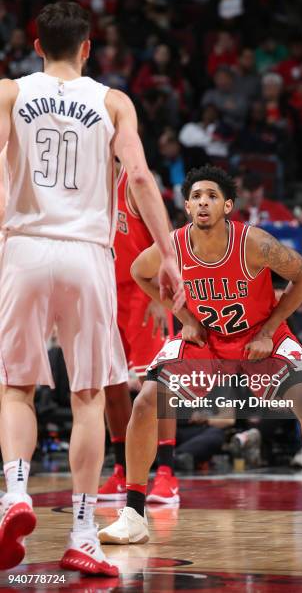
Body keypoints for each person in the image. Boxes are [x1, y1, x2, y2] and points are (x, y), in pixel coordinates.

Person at [98, 164, 302, 551]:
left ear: (227, 205)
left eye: (211, 195)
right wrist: (185, 318)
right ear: (187, 207)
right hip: (207, 340)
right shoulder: (173, 246)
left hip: (261, 338)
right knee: (146, 402)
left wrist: (268, 328)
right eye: (195, 196)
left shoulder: (254, 243)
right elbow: (138, 271)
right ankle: (134, 515)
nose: (203, 202)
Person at [0, 1, 184, 575]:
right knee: (87, 397)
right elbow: (140, 177)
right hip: (87, 256)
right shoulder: (112, 102)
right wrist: (171, 254)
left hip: (24, 246)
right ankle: (82, 532)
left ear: (36, 46)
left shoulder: (9, 92)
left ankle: (15, 494)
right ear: (86, 48)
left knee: (16, 388)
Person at [98, 166, 179, 505]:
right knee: (110, 385)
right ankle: (121, 469)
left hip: (142, 293)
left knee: (157, 384)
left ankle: (166, 473)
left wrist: (161, 296)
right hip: (103, 291)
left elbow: (168, 236)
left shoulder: (132, 182)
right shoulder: (79, 180)